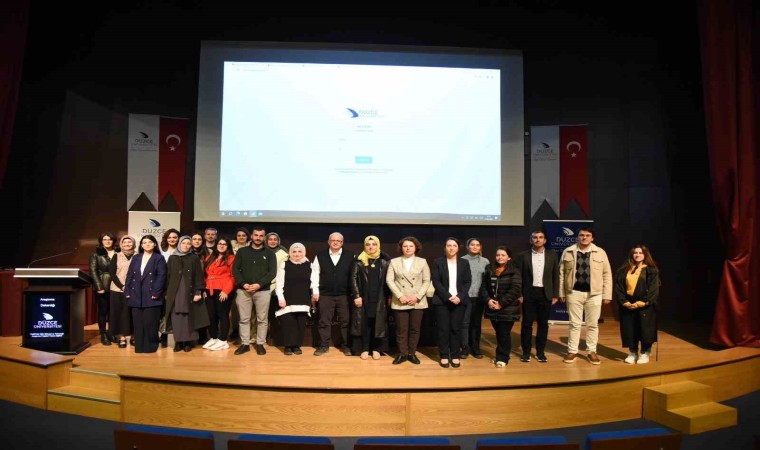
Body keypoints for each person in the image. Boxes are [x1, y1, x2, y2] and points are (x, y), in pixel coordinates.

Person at [559, 227, 612, 365]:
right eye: (581, 235)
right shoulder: (568, 251)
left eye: (587, 235)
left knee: (593, 324)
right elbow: (561, 274)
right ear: (577, 237)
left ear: (592, 238)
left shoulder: (600, 252)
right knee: (574, 324)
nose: (584, 237)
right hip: (573, 293)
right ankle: (572, 351)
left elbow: (607, 274)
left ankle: (591, 351)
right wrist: (561, 292)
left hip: (594, 294)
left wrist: (607, 294)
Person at [514, 230, 559, 363]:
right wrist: (519, 293)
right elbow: (518, 276)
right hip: (528, 293)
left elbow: (556, 276)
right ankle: (526, 352)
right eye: (535, 237)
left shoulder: (552, 255)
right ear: (531, 240)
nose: (538, 239)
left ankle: (540, 352)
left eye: (540, 237)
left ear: (545, 240)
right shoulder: (522, 256)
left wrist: (555, 294)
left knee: (543, 324)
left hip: (546, 293)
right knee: (527, 323)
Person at [231, 226, 277, 355]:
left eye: (261, 236)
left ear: (264, 237)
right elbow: (235, 270)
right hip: (243, 290)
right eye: (256, 235)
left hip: (262, 291)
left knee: (262, 319)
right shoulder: (242, 252)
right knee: (244, 319)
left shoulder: (270, 253)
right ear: (251, 236)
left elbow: (272, 272)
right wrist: (243, 284)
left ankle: (260, 343)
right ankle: (245, 344)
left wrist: (259, 285)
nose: (258, 238)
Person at [386, 236, 431, 365]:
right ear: (401, 248)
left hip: (417, 301)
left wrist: (417, 296)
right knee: (401, 329)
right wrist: (400, 296)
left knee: (415, 329)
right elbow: (389, 280)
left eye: (411, 246)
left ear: (416, 248)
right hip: (400, 300)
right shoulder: (394, 262)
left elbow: (426, 280)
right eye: (405, 246)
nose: (408, 248)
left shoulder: (422, 262)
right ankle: (402, 353)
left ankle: (412, 353)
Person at [614, 245, 660, 364]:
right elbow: (619, 287)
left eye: (640, 253)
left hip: (645, 305)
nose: (637, 255)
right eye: (635, 253)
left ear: (645, 255)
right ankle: (632, 352)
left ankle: (645, 353)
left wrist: (641, 303)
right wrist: (624, 302)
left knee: (645, 330)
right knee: (630, 329)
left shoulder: (651, 270)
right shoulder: (624, 269)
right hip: (628, 304)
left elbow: (653, 289)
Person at [430, 238, 471, 368]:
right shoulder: (438, 262)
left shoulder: (464, 263)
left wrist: (459, 296)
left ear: (458, 248)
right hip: (442, 301)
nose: (451, 248)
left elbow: (467, 282)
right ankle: (443, 355)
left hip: (459, 301)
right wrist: (448, 297)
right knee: (443, 329)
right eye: (449, 245)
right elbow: (436, 281)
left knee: (456, 329)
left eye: (454, 245)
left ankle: (455, 355)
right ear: (445, 248)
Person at [164, 236, 209, 352]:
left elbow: (198, 276)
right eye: (183, 243)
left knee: (188, 316)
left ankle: (188, 342)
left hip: (189, 290)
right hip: (175, 291)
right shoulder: (173, 258)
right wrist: (166, 292)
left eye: (188, 243)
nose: (186, 245)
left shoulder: (194, 258)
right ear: (179, 244)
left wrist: (198, 291)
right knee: (176, 316)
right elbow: (167, 276)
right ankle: (178, 342)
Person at [312, 232, 354, 356]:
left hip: (344, 294)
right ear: (328, 242)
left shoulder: (350, 255)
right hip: (325, 294)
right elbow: (315, 274)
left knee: (346, 321)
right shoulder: (320, 255)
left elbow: (353, 275)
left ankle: (346, 346)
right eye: (333, 240)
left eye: (338, 241)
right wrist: (315, 291)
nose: (336, 242)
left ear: (342, 243)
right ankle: (323, 345)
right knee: (324, 321)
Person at [349, 235, 391, 360]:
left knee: (378, 324)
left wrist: (389, 296)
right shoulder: (359, 261)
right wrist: (357, 296)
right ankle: (365, 349)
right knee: (365, 324)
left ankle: (377, 349)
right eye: (368, 244)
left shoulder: (385, 261)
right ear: (364, 246)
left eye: (374, 244)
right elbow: (353, 279)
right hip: (364, 298)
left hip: (380, 298)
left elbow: (390, 280)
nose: (371, 247)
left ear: (378, 246)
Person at [124, 235, 167, 353]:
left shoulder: (159, 258)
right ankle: (139, 347)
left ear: (154, 244)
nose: (147, 244)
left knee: (150, 323)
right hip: (135, 294)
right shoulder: (136, 257)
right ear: (141, 245)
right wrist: (127, 290)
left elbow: (161, 276)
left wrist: (156, 292)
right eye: (144, 242)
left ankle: (150, 347)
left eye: (150, 242)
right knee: (138, 324)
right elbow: (130, 275)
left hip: (152, 295)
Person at [483, 246, 522, 367]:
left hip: (507, 308)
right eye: (498, 255)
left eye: (503, 255)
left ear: (509, 257)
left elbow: (515, 289)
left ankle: (503, 358)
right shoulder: (489, 268)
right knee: (499, 333)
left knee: (504, 333)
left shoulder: (515, 270)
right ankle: (500, 354)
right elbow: (484, 287)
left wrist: (501, 303)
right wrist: (488, 300)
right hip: (492, 307)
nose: (500, 257)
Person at [274, 243, 315, 355]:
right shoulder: (284, 264)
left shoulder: (309, 265)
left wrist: (314, 294)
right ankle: (288, 346)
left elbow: (313, 282)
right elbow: (279, 283)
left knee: (300, 325)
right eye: (294, 251)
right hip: (288, 299)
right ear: (290, 253)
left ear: (304, 252)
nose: (297, 254)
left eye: (299, 251)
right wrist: (281, 298)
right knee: (288, 324)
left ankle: (297, 346)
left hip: (303, 299)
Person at [203, 237, 236, 351]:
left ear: (228, 246)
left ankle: (223, 340)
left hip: (223, 290)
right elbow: (205, 275)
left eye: (224, 244)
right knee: (211, 315)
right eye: (220, 244)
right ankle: (213, 338)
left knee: (223, 315)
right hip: (209, 289)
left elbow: (233, 277)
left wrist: (226, 291)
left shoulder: (231, 258)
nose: (221, 246)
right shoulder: (209, 257)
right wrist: (204, 290)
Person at [461, 238, 489, 359]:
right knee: (464, 324)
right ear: (468, 247)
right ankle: (465, 348)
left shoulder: (485, 261)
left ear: (480, 247)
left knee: (476, 324)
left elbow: (487, 280)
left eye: (477, 245)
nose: (475, 247)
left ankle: (476, 348)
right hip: (465, 297)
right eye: (472, 245)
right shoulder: (461, 260)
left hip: (479, 298)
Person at [108, 235, 136, 348]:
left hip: (133, 290)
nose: (127, 244)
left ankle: (133, 336)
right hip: (117, 289)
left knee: (132, 313)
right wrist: (122, 286)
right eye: (124, 242)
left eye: (129, 242)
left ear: (133, 244)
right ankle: (122, 337)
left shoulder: (138, 256)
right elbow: (112, 273)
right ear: (121, 244)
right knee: (119, 314)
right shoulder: (116, 256)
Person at [90, 232, 117, 345]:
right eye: (105, 239)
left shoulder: (118, 252)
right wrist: (99, 286)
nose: (107, 241)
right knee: (103, 311)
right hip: (103, 285)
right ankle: (103, 334)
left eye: (110, 239)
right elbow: (93, 271)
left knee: (113, 311)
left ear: (113, 241)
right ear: (101, 241)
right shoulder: (96, 254)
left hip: (116, 285)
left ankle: (112, 333)